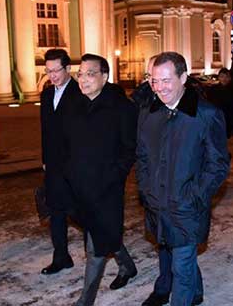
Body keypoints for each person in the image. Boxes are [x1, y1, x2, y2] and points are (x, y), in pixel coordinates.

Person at [136, 52, 229, 306]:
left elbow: (218, 164)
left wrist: (195, 195)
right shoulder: (148, 113)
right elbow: (142, 156)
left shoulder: (206, 114)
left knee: (181, 267)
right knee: (173, 252)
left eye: (166, 80)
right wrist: (146, 189)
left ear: (183, 78)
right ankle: (196, 293)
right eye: (154, 81)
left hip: (187, 205)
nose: (159, 88)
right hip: (157, 202)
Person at [65, 53, 137, 306]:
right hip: (79, 186)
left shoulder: (122, 108)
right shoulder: (75, 104)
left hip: (106, 188)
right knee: (104, 232)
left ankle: (85, 301)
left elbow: (129, 150)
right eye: (80, 74)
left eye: (90, 74)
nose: (83, 79)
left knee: (94, 247)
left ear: (104, 77)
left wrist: (114, 177)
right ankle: (127, 266)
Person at [39, 49, 83, 275]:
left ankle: (112, 252)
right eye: (48, 71)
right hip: (54, 166)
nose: (52, 75)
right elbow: (45, 131)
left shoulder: (81, 92)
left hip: (76, 166)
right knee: (56, 212)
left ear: (68, 69)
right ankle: (61, 257)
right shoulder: (46, 95)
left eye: (57, 70)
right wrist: (45, 159)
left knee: (82, 214)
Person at [208, 68, 233, 138]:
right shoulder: (213, 90)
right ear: (218, 77)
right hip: (215, 121)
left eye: (227, 77)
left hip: (228, 121)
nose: (224, 79)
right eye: (222, 76)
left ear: (230, 78)